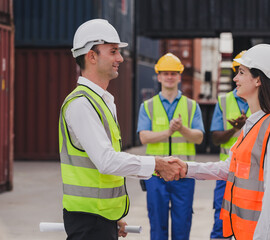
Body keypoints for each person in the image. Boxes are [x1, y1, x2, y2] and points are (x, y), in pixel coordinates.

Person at [59, 19, 185, 240]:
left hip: (101, 218)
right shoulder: (81, 104)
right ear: (92, 56)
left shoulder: (103, 101)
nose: (120, 58)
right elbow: (107, 161)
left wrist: (112, 217)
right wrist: (156, 164)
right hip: (88, 222)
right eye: (114, 51)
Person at [172, 44, 270, 239]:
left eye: (241, 72)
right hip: (244, 231)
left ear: (258, 80)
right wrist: (186, 168)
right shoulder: (252, 124)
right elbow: (228, 168)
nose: (235, 78)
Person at [137, 53, 204, 240]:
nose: (169, 77)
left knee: (182, 224)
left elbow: (199, 138)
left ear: (179, 76)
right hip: (156, 174)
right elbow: (143, 137)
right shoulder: (147, 106)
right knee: (157, 224)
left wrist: (181, 129)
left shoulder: (192, 106)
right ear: (158, 76)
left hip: (184, 173)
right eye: (165, 73)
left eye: (173, 73)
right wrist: (167, 132)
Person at [209, 50, 250, 240]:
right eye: (238, 72)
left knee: (250, 225)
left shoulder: (265, 104)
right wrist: (235, 129)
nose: (238, 77)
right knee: (221, 223)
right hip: (227, 173)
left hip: (254, 176)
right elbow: (216, 139)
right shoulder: (224, 101)